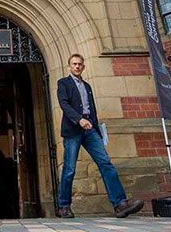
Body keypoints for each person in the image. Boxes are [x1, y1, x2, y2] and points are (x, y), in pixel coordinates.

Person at [56, 53, 144, 219]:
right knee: (69, 170)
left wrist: (95, 127)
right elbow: (64, 104)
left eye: (80, 64)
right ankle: (64, 206)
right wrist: (78, 119)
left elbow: (92, 108)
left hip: (90, 130)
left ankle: (120, 204)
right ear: (69, 66)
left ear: (83, 66)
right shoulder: (63, 83)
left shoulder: (87, 85)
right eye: (74, 64)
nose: (77, 66)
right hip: (73, 130)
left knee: (106, 163)